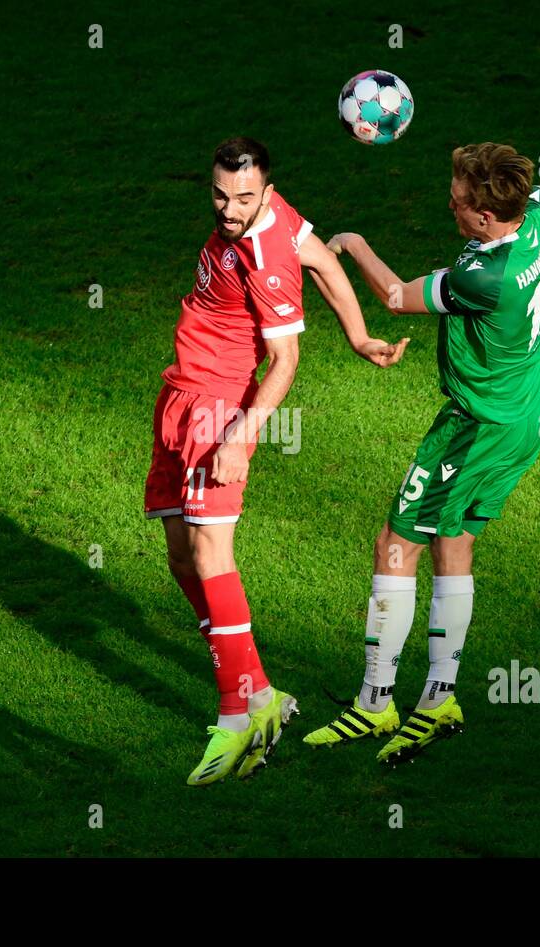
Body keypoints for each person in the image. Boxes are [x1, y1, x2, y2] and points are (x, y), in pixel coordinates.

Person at [305, 67, 540, 765]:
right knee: (454, 546)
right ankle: (438, 698)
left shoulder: (482, 275)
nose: (450, 204)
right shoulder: (539, 219)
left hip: (470, 428)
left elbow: (392, 297)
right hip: (519, 423)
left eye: (459, 201)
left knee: (395, 543)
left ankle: (375, 703)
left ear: (484, 216)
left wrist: (348, 244)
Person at [145, 136, 409, 785]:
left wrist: (241, 432)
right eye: (219, 194)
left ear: (262, 191)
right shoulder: (276, 215)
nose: (228, 209)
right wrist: (356, 332)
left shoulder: (263, 256)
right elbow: (320, 259)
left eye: (241, 199)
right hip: (179, 393)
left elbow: (286, 358)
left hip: (219, 407)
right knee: (181, 554)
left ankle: (237, 715)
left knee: (212, 554)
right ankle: (260, 692)